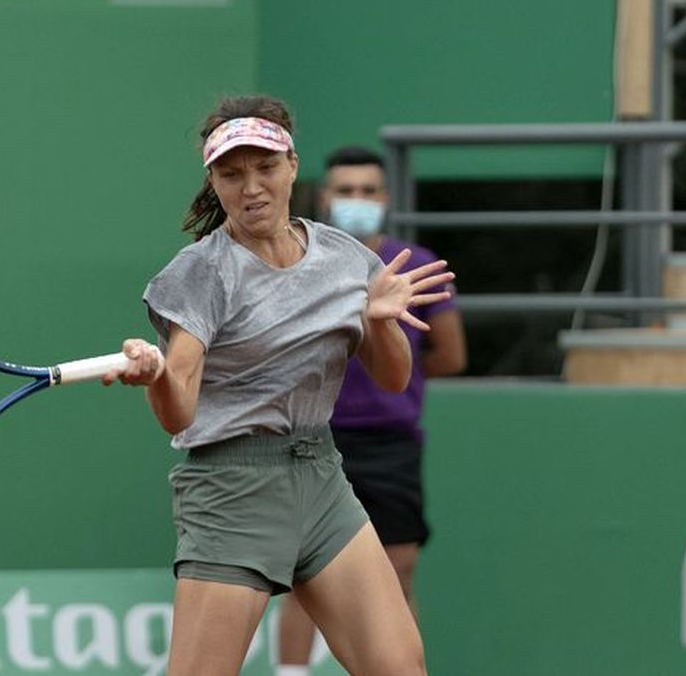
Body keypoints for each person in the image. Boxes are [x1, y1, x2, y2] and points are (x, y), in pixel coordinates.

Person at [102, 95, 454, 676]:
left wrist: (378, 319)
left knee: (399, 667)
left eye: (265, 168)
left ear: (292, 164)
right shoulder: (198, 273)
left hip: (321, 480)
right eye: (231, 174)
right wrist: (157, 376)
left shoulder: (345, 258)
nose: (251, 187)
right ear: (213, 181)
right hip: (232, 491)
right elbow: (178, 412)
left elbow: (394, 379)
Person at [275, 146, 467, 676]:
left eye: (367, 191)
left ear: (383, 199)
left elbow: (449, 354)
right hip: (314, 439)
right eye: (345, 191)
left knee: (399, 570)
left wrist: (393, 376)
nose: (356, 201)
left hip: (392, 443)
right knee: (304, 576)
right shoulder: (298, 263)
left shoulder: (419, 266)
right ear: (324, 198)